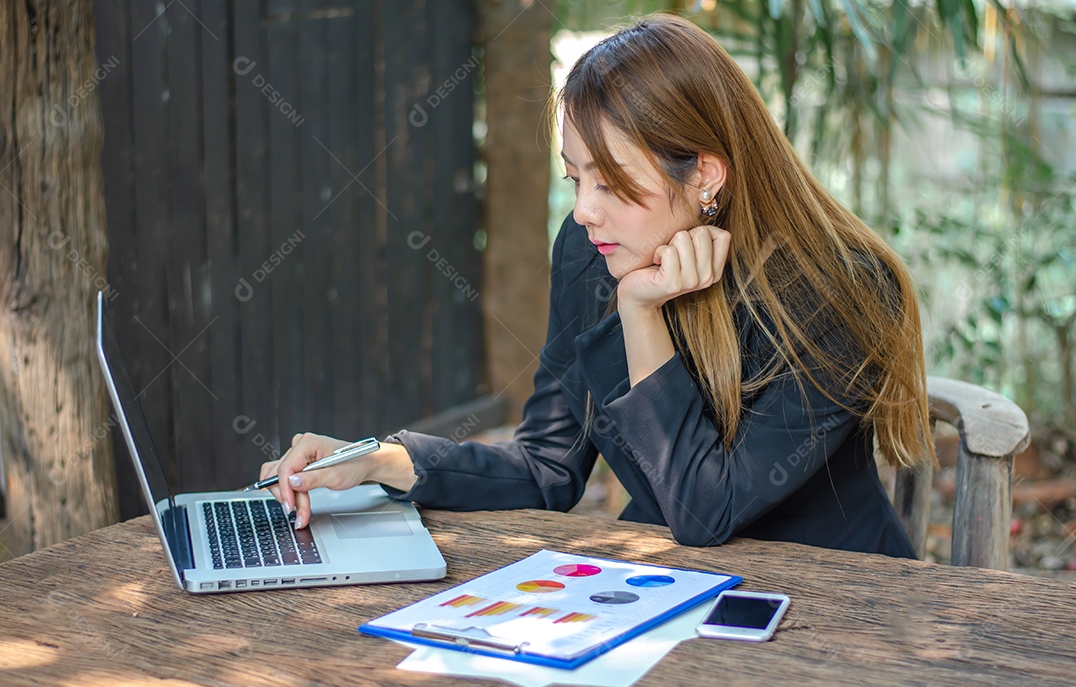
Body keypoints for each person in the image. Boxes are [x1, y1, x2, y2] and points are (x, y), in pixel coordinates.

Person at [260, 13, 935, 557]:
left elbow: (705, 509)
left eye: (610, 183)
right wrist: (378, 461)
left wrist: (640, 313)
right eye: (574, 177)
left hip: (833, 602)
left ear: (705, 175)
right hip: (670, 588)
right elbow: (548, 465)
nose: (584, 210)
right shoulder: (590, 255)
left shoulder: (838, 292)